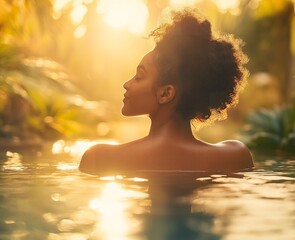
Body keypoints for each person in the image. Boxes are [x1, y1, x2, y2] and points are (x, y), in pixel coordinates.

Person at [79, 9, 253, 174]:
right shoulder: (236, 157)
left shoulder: (99, 159)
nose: (127, 84)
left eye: (139, 77)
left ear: (165, 94)